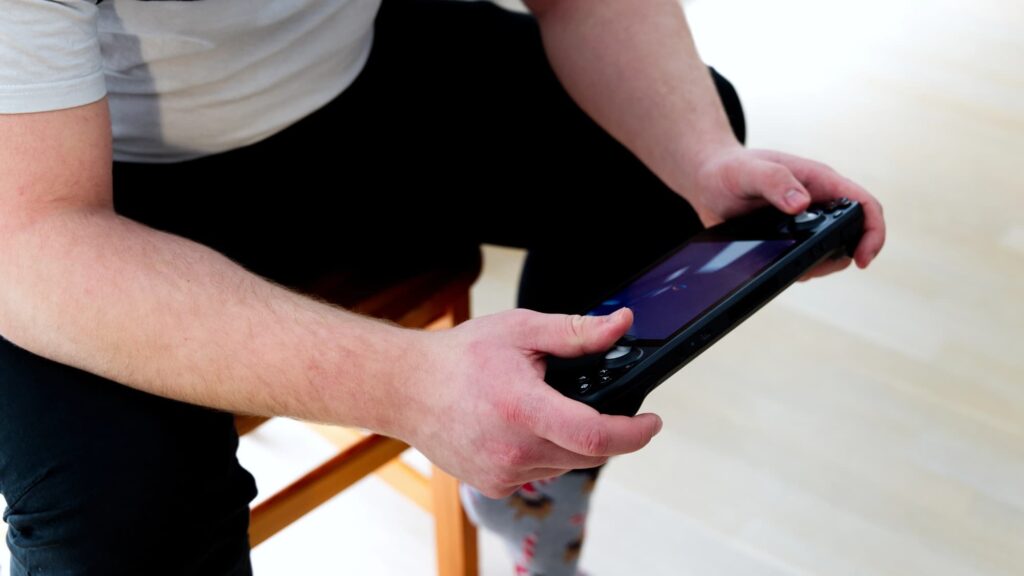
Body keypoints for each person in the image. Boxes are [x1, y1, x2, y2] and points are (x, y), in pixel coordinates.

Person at [0, 0, 885, 574]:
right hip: (73, 188)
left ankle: (534, 475)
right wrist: (409, 383)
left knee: (674, 150)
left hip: (349, 77)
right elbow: (34, 238)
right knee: (123, 528)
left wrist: (703, 159)